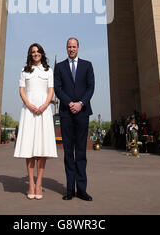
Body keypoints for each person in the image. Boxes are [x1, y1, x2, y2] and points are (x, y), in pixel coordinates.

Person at [14, 43, 57, 200]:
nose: (36, 54)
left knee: (42, 148)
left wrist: (45, 105)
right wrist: (29, 105)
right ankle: (30, 184)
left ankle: (39, 184)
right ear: (30, 54)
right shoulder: (24, 71)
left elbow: (51, 90)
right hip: (29, 111)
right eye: (33, 52)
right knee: (30, 148)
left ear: (42, 54)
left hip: (44, 111)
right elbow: (21, 90)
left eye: (38, 51)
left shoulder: (48, 71)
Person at [54, 37, 95, 201]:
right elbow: (58, 88)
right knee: (68, 153)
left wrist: (80, 103)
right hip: (66, 113)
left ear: (78, 48)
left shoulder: (87, 65)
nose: (71, 49)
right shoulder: (59, 67)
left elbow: (91, 87)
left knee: (81, 152)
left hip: (82, 113)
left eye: (74, 46)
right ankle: (70, 189)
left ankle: (82, 190)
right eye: (69, 47)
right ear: (66, 48)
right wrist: (70, 103)